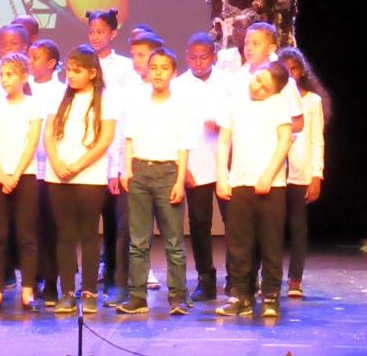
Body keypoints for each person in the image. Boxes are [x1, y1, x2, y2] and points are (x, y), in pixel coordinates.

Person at [216, 62, 293, 318]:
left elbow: (284, 141)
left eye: (265, 87)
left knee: (270, 243)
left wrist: (268, 175)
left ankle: (270, 296)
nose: (257, 87)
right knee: (239, 244)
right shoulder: (235, 101)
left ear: (274, 91)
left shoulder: (278, 103)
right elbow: (224, 141)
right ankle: (242, 295)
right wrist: (222, 175)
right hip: (240, 182)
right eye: (258, 79)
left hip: (271, 184)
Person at [44, 45, 117, 314]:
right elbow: (48, 134)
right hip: (58, 175)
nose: (71, 75)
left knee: (88, 234)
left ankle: (89, 292)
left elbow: (105, 140)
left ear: (92, 73)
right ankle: (66, 293)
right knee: (64, 234)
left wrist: (77, 166)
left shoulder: (105, 100)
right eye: (69, 70)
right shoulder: (59, 97)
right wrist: (57, 163)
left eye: (77, 71)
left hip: (89, 176)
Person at [118, 47, 190, 316]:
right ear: (148, 71)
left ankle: (177, 296)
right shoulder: (138, 102)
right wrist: (127, 170)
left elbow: (184, 146)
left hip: (168, 172)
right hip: (140, 171)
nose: (158, 73)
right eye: (154, 68)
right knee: (138, 240)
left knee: (173, 241)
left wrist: (180, 181)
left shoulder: (180, 105)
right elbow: (129, 138)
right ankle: (137, 296)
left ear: (174, 72)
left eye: (164, 68)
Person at [172, 32, 232, 301]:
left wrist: (221, 126)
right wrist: (181, 167)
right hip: (195, 164)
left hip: (225, 164)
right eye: (193, 58)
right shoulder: (178, 86)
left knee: (234, 223)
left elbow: (239, 119)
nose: (198, 63)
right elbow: (174, 129)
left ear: (214, 57)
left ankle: (236, 276)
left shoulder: (228, 83)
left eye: (204, 57)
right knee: (199, 223)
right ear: (187, 56)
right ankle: (205, 279)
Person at [0, 53, 43, 312]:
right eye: (2, 75)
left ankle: (28, 289)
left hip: (24, 176)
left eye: (10, 74)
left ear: (24, 77)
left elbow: (32, 142)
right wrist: (0, 174)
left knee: (26, 234)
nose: (5, 79)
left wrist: (16, 174)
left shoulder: (33, 105)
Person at [85, 9, 137, 303]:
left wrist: (117, 163)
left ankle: (117, 278)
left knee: (117, 222)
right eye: (91, 32)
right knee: (91, 220)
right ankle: (92, 277)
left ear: (113, 34)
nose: (94, 37)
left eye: (100, 32)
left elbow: (123, 113)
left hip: (114, 147)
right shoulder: (82, 62)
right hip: (90, 150)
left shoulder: (125, 68)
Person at [278, 47, 327, 299]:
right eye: (284, 70)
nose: (289, 74)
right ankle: (267, 278)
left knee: (298, 228)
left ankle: (295, 279)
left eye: (294, 69)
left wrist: (316, 175)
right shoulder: (272, 100)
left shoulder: (312, 101)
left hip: (299, 173)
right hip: (274, 173)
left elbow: (317, 140)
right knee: (270, 229)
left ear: (301, 72)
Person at [27, 39, 66, 305]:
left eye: (36, 58)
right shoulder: (24, 88)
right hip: (28, 168)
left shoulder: (61, 91)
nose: (30, 62)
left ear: (51, 63)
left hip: (51, 169)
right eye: (29, 57)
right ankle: (32, 279)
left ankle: (52, 283)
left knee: (52, 227)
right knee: (30, 228)